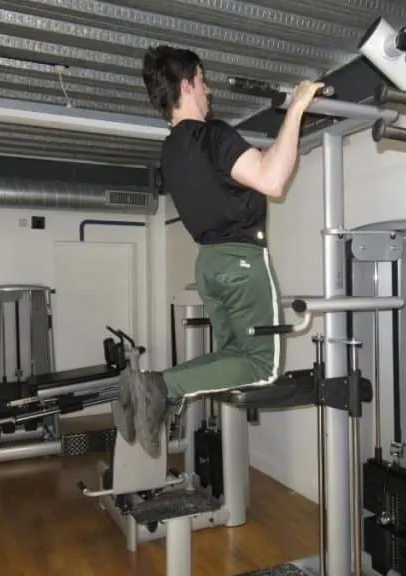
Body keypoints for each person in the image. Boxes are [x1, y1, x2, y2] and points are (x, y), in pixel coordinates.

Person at [110, 45, 325, 459]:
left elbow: (239, 177)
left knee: (231, 357)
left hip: (209, 264)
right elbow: (273, 180)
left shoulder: (170, 152)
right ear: (187, 83)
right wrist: (297, 108)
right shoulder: (213, 135)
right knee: (262, 367)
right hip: (241, 262)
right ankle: (161, 387)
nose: (209, 90)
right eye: (204, 81)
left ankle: (152, 396)